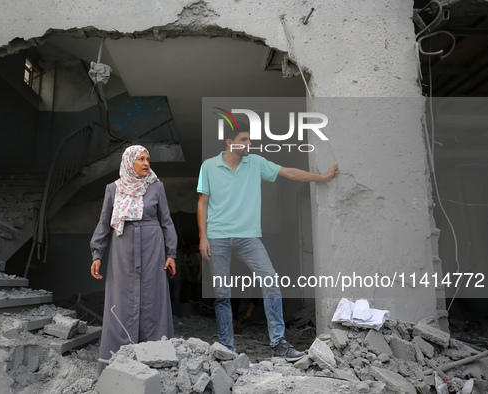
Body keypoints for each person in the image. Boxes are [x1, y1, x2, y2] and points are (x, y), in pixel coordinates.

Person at [197, 124, 339, 361]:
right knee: (222, 293)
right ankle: (226, 348)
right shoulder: (209, 166)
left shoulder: (255, 163)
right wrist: (202, 236)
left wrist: (321, 178)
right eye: (244, 140)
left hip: (248, 237)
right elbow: (202, 202)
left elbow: (289, 173)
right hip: (217, 236)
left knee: (271, 281)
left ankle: (279, 343)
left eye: (250, 140)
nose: (249, 144)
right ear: (229, 142)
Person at [90, 145, 177, 375]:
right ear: (129, 162)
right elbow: (104, 223)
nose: (146, 163)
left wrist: (171, 253)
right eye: (141, 159)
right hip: (122, 252)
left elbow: (166, 221)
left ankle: (156, 363)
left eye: (148, 159)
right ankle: (117, 366)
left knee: (153, 299)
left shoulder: (156, 187)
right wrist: (97, 254)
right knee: (121, 299)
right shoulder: (113, 189)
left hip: (152, 250)